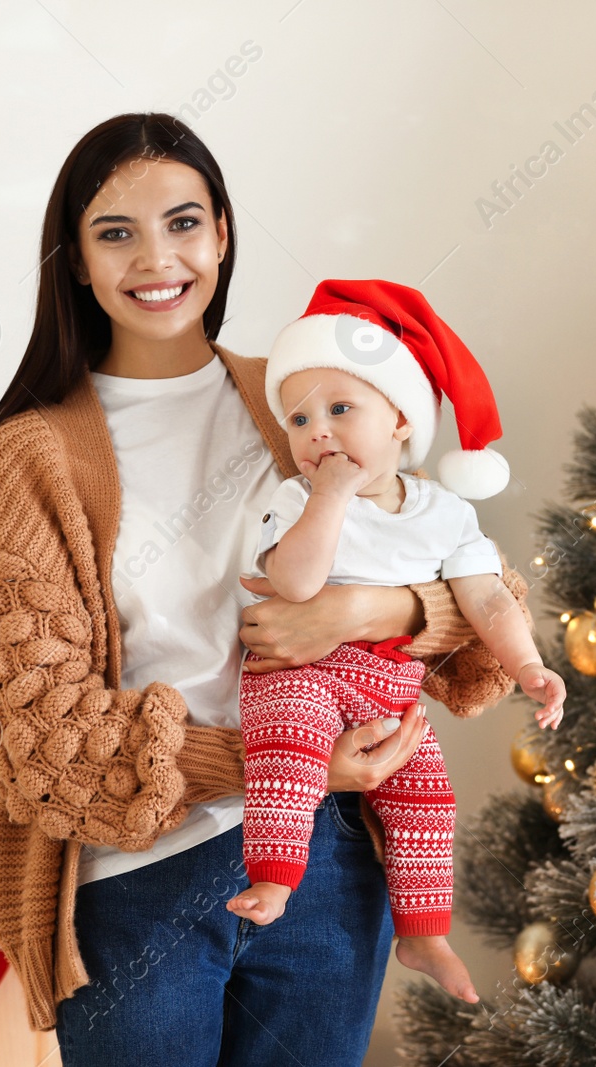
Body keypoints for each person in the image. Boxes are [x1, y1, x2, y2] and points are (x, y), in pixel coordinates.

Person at [0, 113, 527, 1067]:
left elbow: (481, 581)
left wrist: (376, 611)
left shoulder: (304, 394)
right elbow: (34, 738)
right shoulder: (35, 455)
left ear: (221, 232)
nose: (156, 258)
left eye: (184, 223)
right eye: (116, 233)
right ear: (78, 261)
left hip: (329, 862)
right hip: (138, 879)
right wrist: (268, 761)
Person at [224, 279, 565, 1005]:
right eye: (300, 417)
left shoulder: (443, 513)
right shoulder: (296, 499)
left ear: (402, 420)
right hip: (301, 673)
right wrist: (329, 498)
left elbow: (486, 598)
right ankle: (274, 878)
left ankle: (422, 930)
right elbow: (293, 582)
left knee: (426, 797)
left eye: (341, 409)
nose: (318, 430)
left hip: (390, 685)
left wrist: (530, 666)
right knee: (286, 749)